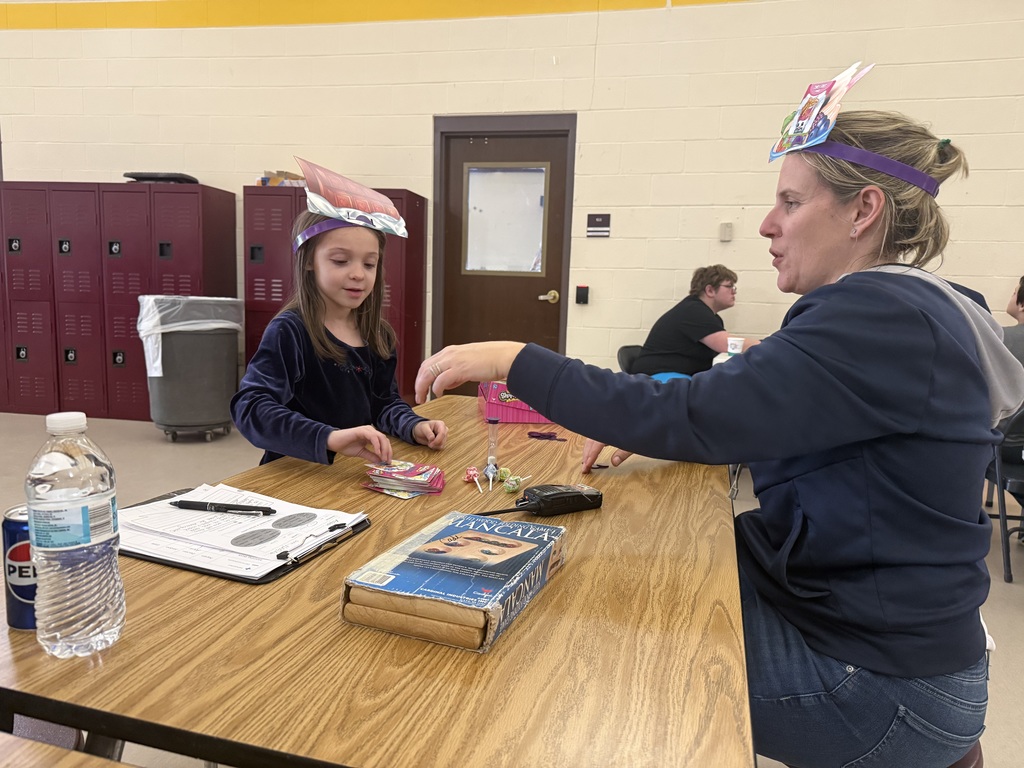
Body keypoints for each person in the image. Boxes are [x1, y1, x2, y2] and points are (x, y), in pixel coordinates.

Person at [414, 106, 1024, 768]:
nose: (767, 224)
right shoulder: (915, 306)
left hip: (882, 685)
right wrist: (679, 411)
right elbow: (771, 412)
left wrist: (516, 359)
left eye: (791, 202)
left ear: (863, 210)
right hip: (895, 648)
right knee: (641, 566)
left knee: (584, 627)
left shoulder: (878, 314)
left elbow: (692, 416)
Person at [231, 161, 447, 465]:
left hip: (352, 473)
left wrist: (413, 425)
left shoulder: (378, 335)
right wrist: (328, 438)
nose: (358, 274)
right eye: (341, 261)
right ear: (309, 261)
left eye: (369, 264)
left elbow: (384, 404)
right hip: (294, 475)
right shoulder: (290, 331)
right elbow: (251, 409)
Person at [632, 264, 758, 378]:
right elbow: (728, 345)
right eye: (729, 286)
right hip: (659, 379)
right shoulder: (694, 311)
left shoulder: (708, 315)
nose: (734, 291)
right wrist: (764, 346)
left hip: (675, 376)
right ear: (710, 290)